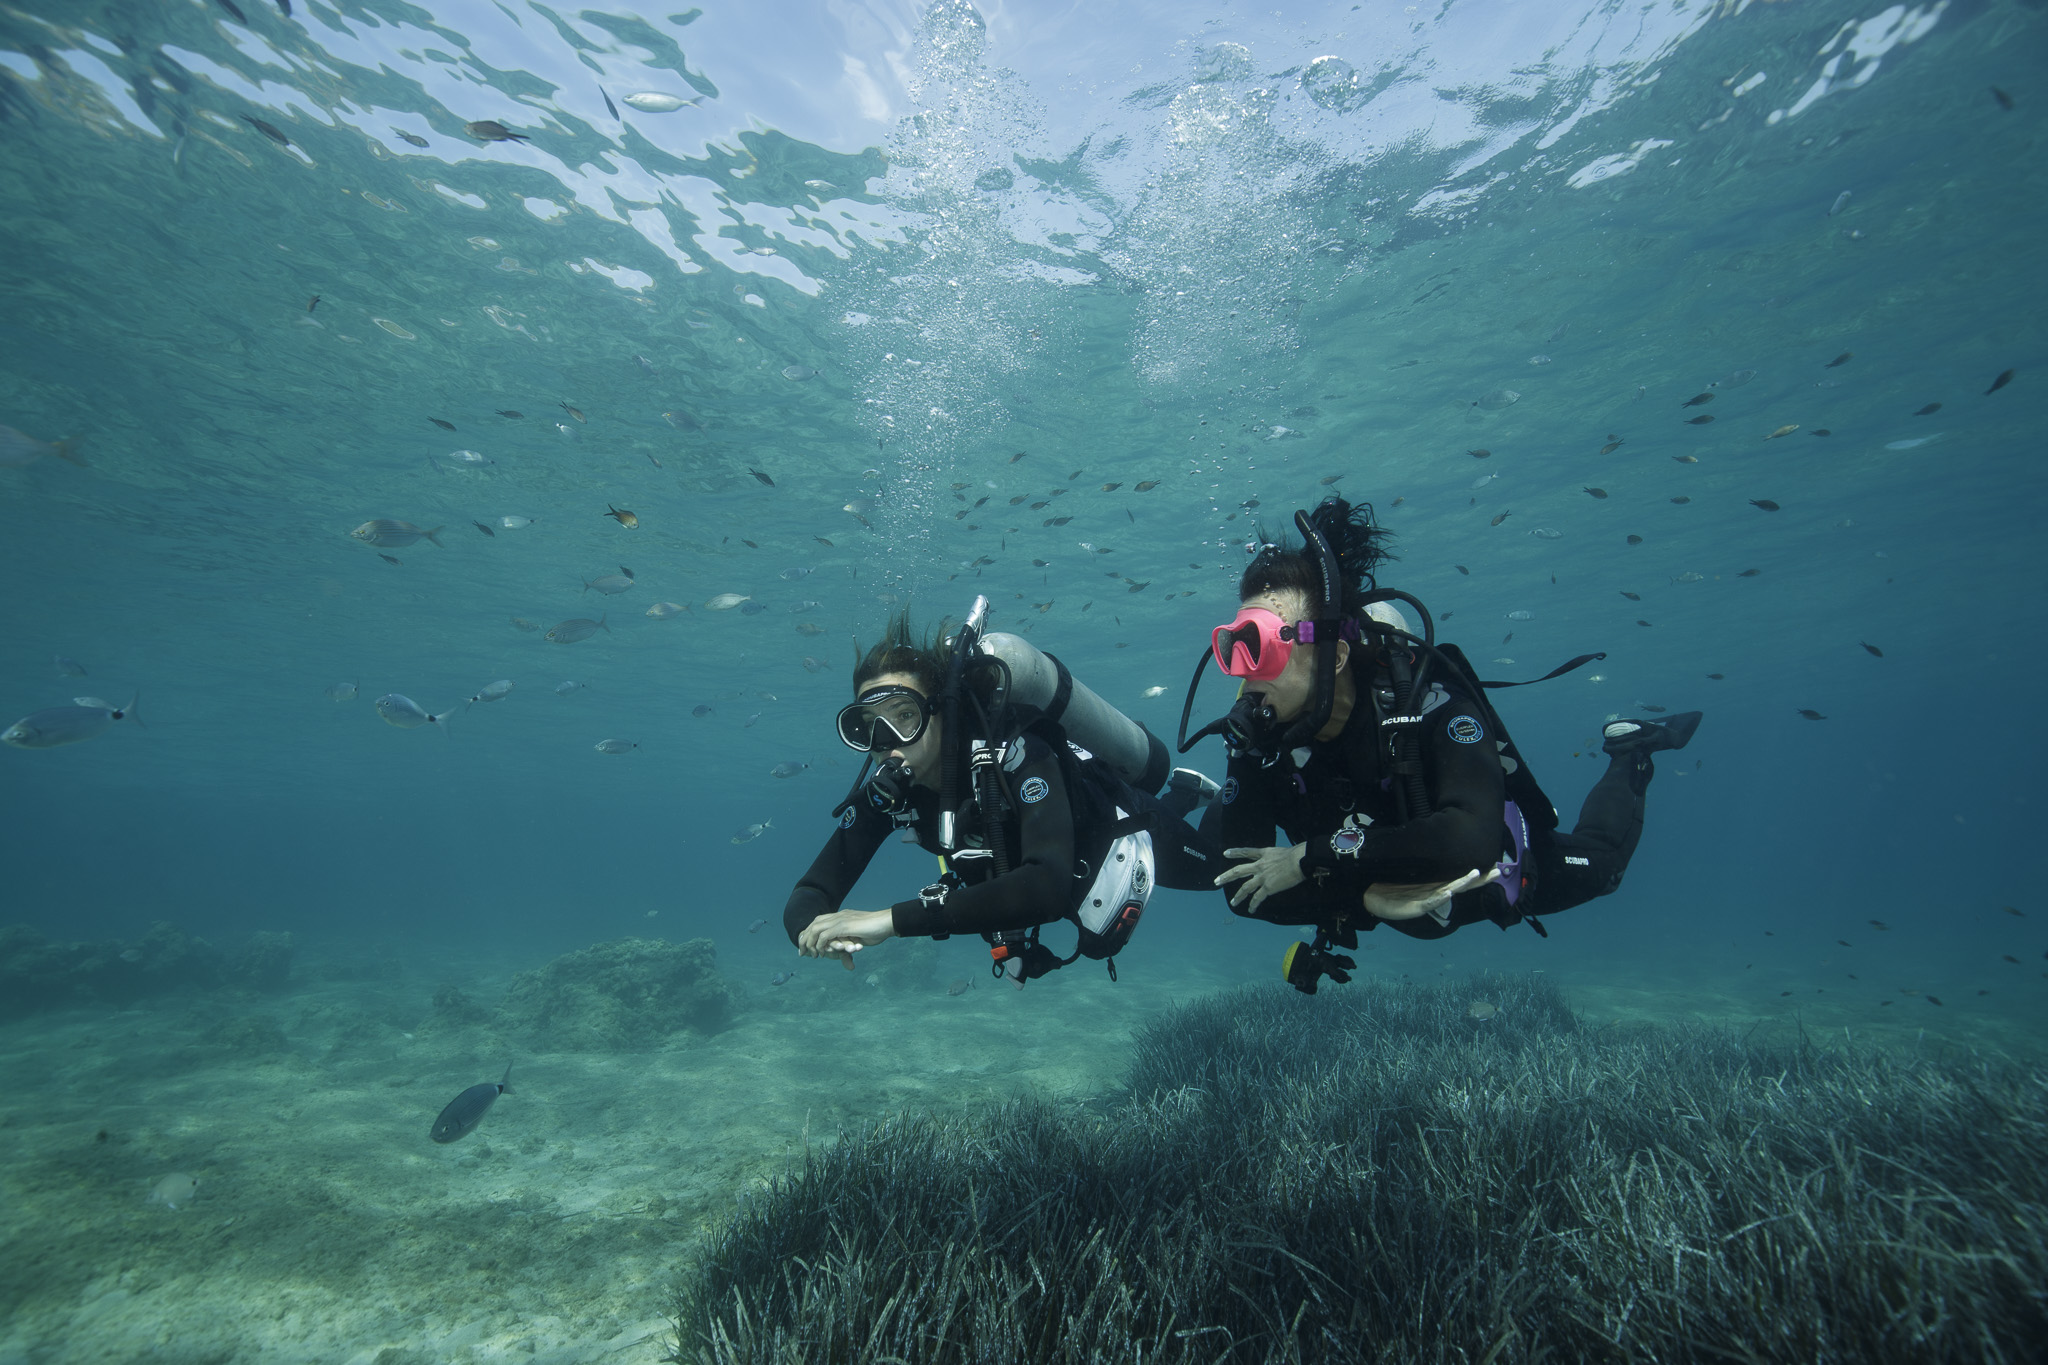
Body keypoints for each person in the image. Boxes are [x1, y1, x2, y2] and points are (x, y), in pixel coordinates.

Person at [1184, 497, 1700, 992]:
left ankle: (1632, 750)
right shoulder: (1258, 738)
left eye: (1260, 647)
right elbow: (1242, 889)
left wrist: (1311, 857)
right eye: (1233, 648)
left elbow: (1470, 839)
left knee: (1606, 867)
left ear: (1334, 656)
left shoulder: (1431, 706)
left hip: (1485, 873)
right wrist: (1367, 897)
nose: (1244, 674)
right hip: (1381, 879)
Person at [785, 602, 1222, 986]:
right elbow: (813, 889)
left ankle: (1187, 792)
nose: (887, 742)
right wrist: (816, 931)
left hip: (1119, 828)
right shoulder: (890, 793)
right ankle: (1183, 792)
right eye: (867, 726)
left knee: (1223, 874)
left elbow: (1046, 887)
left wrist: (889, 921)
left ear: (941, 713)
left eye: (904, 715)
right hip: (1049, 875)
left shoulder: (1016, 755)